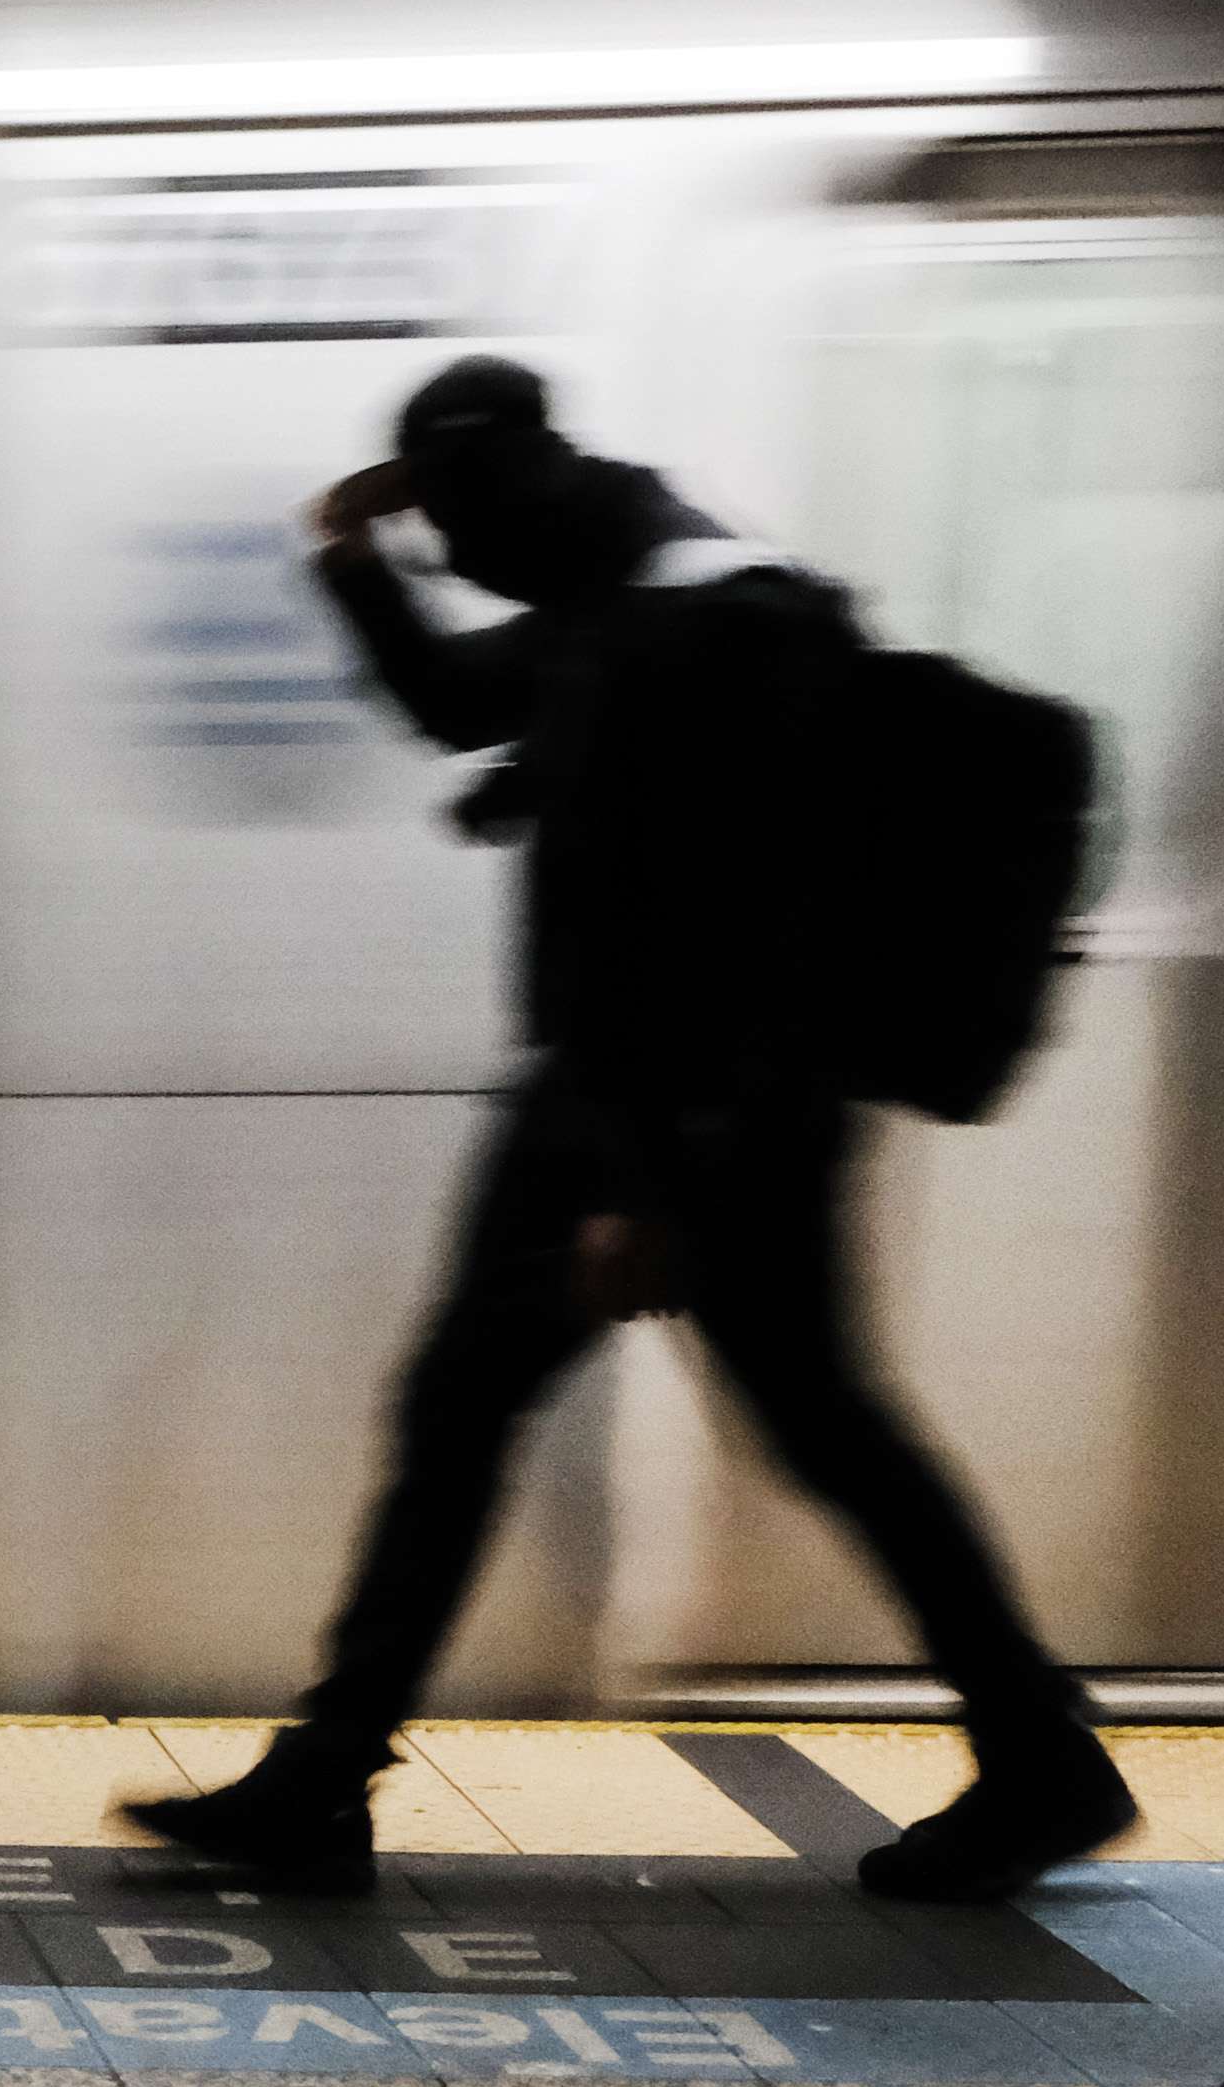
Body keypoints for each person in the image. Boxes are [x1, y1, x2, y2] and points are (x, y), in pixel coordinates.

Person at [125, 357, 1129, 1903]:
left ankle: (325, 1777)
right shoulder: (647, 584)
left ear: (497, 502)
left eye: (452, 531)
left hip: (668, 1113)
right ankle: (1035, 1751)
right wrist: (350, 555)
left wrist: (643, 1191)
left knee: (551, 1414)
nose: (455, 561)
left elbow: (683, 940)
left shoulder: (672, 632)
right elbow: (455, 701)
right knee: (767, 1424)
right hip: (687, 1105)